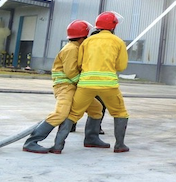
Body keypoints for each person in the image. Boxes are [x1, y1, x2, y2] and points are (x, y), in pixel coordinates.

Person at [22, 20, 108, 153]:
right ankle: (32, 142)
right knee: (60, 114)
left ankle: (91, 138)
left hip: (74, 86)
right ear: (83, 36)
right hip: (65, 86)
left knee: (97, 108)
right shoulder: (71, 49)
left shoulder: (77, 48)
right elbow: (71, 72)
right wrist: (85, 86)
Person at [51, 11, 130, 153]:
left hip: (85, 84)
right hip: (108, 85)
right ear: (113, 26)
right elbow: (121, 66)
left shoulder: (86, 42)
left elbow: (80, 63)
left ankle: (58, 146)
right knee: (120, 112)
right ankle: (119, 145)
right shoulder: (118, 42)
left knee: (73, 113)